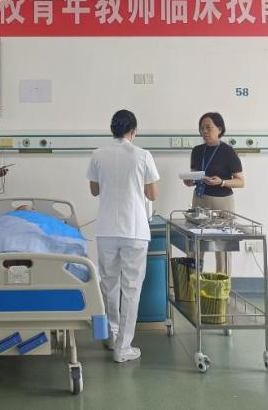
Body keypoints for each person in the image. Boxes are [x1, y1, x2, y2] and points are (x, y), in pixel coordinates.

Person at [87, 109, 160, 363]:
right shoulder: (143, 155)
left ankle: (112, 336)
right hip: (134, 230)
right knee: (131, 289)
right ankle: (123, 347)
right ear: (134, 131)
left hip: (106, 229)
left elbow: (94, 190)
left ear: (112, 129)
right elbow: (153, 194)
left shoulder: (98, 154)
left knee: (109, 285)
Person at [183, 112, 245, 275]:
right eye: (201, 128)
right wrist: (190, 181)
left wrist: (222, 182)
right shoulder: (197, 151)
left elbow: (240, 181)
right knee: (195, 244)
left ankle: (222, 284)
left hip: (222, 203)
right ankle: (193, 282)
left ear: (219, 129)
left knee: (222, 247)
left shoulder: (228, 152)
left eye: (208, 127)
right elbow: (195, 175)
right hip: (200, 200)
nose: (204, 131)